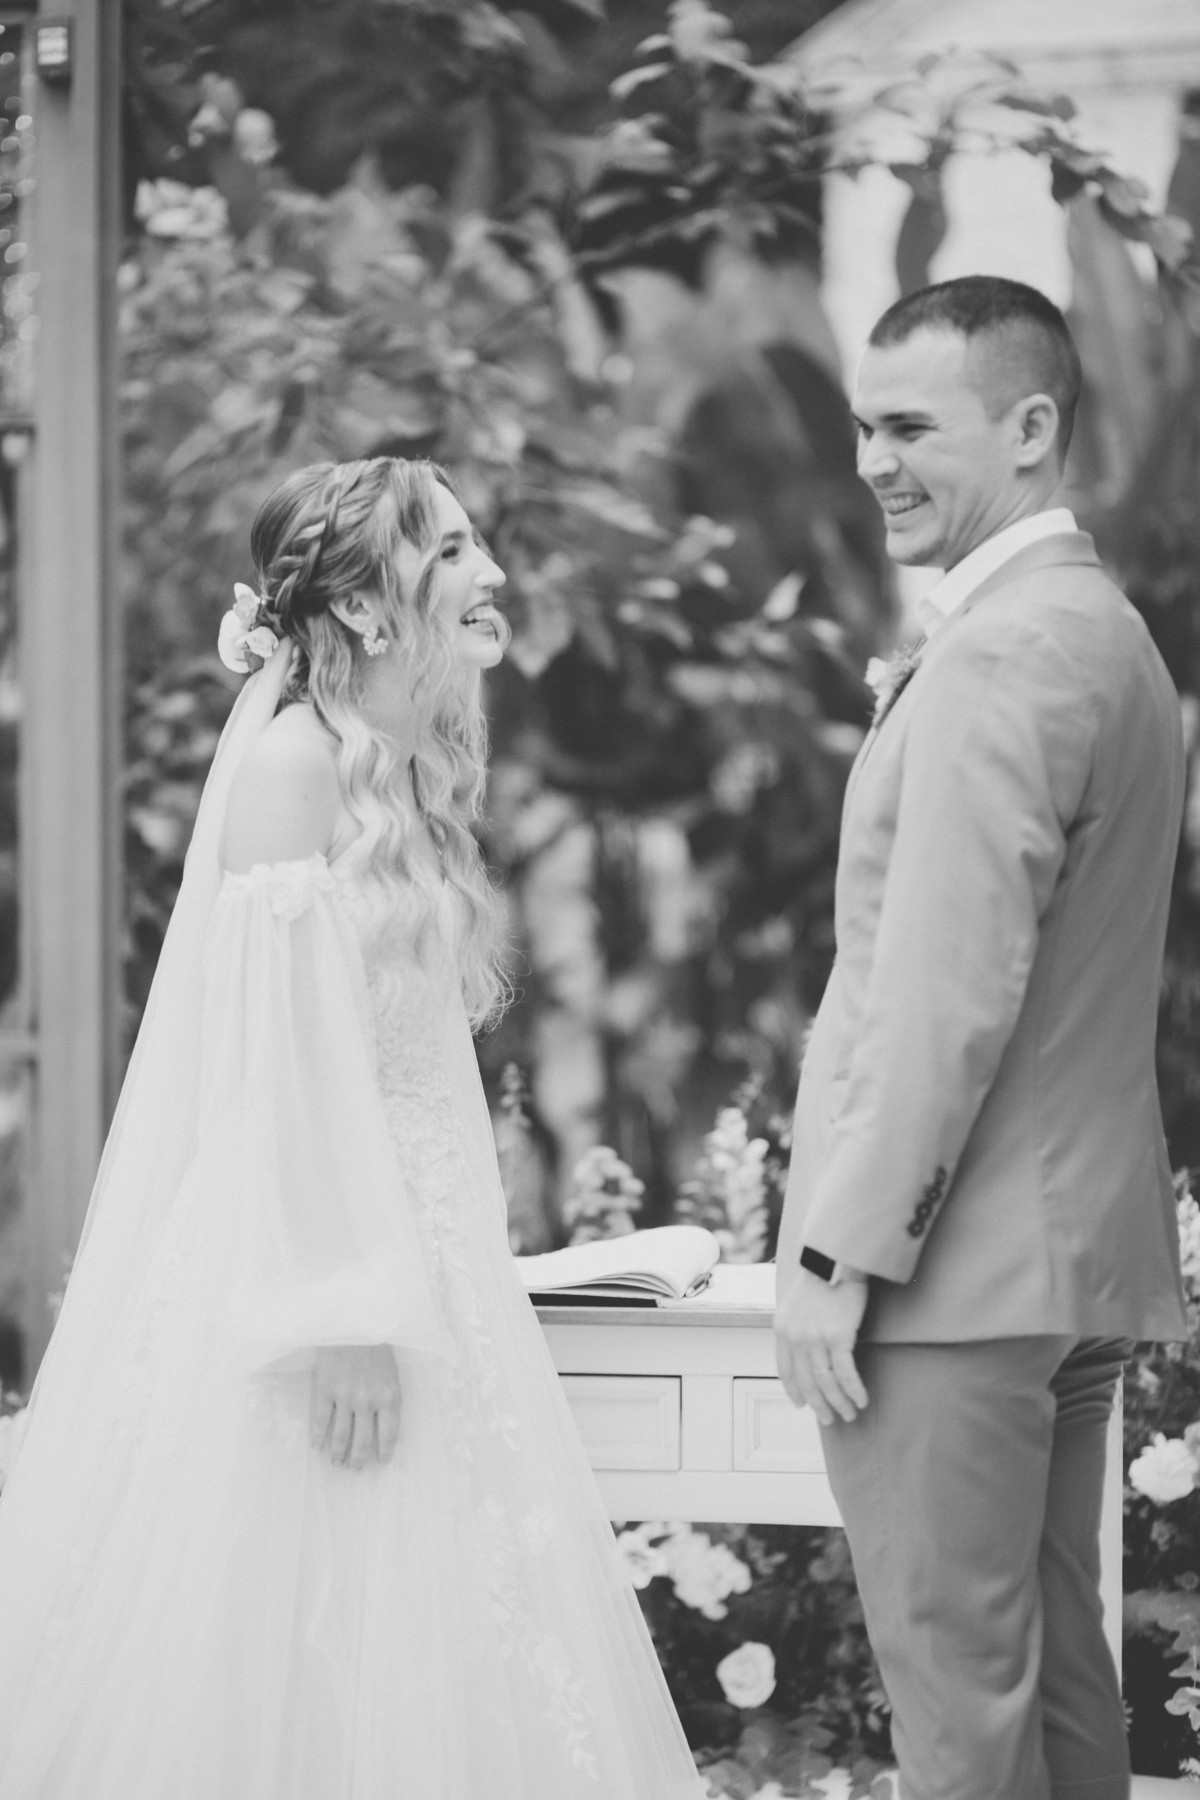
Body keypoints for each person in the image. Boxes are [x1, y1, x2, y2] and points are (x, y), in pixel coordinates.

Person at [0, 457, 705, 1800]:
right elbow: (278, 1073)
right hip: (324, 1280)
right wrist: (345, 1314)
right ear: (368, 610)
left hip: (430, 1262)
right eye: (451, 553)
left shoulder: (400, 773)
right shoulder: (291, 768)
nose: (491, 573)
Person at [774, 276, 1187, 1800]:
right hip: (1058, 1261)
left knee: (959, 1714)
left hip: (948, 1274)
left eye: (909, 428)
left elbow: (947, 990)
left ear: (1028, 429)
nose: (872, 462)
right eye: (862, 427)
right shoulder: (1103, 631)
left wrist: (840, 1253)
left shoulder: (1006, 649)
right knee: (1057, 1686)